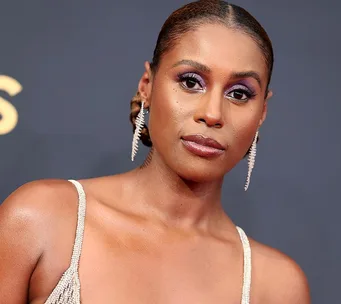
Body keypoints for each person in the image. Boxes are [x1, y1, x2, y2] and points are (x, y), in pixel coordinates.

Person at [0, 1, 311, 303]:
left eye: (240, 93)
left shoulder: (276, 286)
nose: (213, 113)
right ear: (147, 85)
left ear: (262, 113)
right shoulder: (39, 219)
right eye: (191, 82)